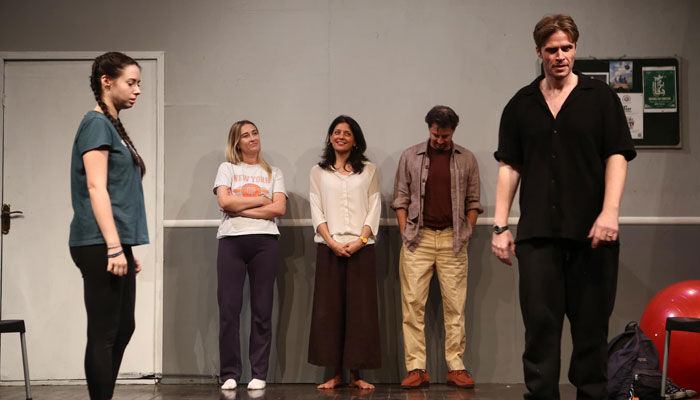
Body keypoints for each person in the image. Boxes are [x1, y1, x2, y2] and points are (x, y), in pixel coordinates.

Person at [491, 14, 636, 400]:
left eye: (567, 48)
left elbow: (617, 156)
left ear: (575, 48)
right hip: (538, 236)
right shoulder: (520, 105)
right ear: (539, 52)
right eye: (552, 49)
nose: (560, 56)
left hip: (592, 234)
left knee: (590, 331)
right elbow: (509, 166)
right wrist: (500, 226)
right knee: (540, 329)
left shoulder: (600, 99)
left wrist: (610, 212)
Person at [69, 51, 149, 400]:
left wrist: (125, 246)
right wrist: (115, 246)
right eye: (131, 82)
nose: (137, 90)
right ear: (107, 81)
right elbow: (96, 186)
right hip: (98, 241)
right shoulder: (95, 123)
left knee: (123, 327)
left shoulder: (112, 125)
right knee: (104, 332)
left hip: (115, 241)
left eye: (139, 84)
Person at [392, 105, 483, 389]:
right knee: (412, 306)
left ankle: (456, 367)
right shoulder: (410, 156)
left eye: (445, 135)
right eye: (435, 134)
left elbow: (474, 200)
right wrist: (406, 230)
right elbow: (401, 197)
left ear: (453, 131)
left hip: (452, 240)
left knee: (455, 307)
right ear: (428, 128)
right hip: (417, 239)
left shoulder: (467, 159)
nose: (440, 140)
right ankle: (416, 368)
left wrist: (466, 231)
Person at [308, 115, 381, 390]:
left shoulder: (369, 171)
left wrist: (361, 240)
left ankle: (357, 374)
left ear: (355, 140)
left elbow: (374, 206)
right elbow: (317, 209)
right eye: (336, 132)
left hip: (362, 249)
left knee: (360, 313)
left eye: (346, 133)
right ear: (330, 137)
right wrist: (331, 242)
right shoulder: (318, 172)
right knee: (331, 312)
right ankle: (336, 374)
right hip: (330, 248)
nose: (340, 136)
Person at [214, 120, 287, 391]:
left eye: (255, 133)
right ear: (237, 142)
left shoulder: (273, 172)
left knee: (262, 310)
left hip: (265, 242)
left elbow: (278, 208)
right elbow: (224, 202)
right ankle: (230, 372)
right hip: (231, 242)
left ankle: (259, 372)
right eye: (246, 135)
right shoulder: (227, 168)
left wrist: (240, 207)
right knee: (229, 311)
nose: (252, 138)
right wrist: (261, 200)